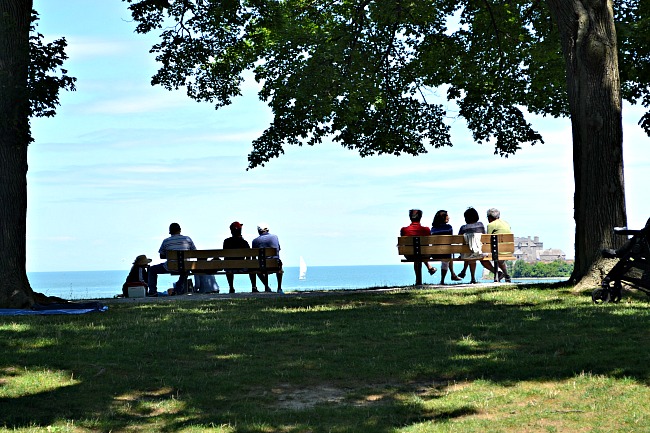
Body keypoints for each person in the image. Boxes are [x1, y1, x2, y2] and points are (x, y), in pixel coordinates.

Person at [148, 222, 197, 296]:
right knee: (185, 268)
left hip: (170, 266)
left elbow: (161, 256)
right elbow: (194, 253)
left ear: (170, 231)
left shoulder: (166, 241)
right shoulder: (187, 239)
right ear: (180, 230)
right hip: (185, 266)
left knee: (152, 269)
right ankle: (178, 288)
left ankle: (152, 291)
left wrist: (171, 256)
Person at [401, 209, 437, 285]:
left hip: (410, 255)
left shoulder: (404, 230)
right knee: (420, 251)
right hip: (424, 253)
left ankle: (418, 280)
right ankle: (428, 269)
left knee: (416, 251)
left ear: (410, 217)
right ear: (420, 217)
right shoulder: (426, 230)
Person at [223, 221, 258, 294]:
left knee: (228, 266)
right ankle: (254, 287)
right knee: (251, 265)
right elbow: (249, 257)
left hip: (230, 267)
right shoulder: (244, 242)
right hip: (242, 267)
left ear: (231, 231)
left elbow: (225, 257)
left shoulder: (226, 242)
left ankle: (231, 288)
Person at [480, 208, 512, 282]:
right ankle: (506, 275)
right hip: (508, 250)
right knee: (499, 258)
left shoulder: (490, 225)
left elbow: (487, 240)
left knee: (482, 259)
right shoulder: (506, 223)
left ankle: (496, 273)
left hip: (497, 252)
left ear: (490, 217)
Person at [430, 210, 462, 284]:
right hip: (446, 253)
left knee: (447, 252)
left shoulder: (433, 229)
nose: (449, 217)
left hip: (435, 254)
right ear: (443, 217)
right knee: (447, 253)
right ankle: (443, 280)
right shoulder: (449, 228)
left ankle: (452, 274)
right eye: (447, 216)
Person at [252, 223, 284, 293]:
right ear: (267, 229)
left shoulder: (255, 241)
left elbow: (253, 257)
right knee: (279, 265)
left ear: (259, 231)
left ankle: (266, 286)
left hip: (261, 266)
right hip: (274, 265)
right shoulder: (275, 237)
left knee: (255, 267)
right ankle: (279, 288)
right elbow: (278, 249)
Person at [457, 207, 486, 284]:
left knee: (468, 251)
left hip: (468, 252)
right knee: (471, 251)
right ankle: (497, 274)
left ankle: (470, 276)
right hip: (479, 250)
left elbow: (458, 239)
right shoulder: (481, 225)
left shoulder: (463, 228)